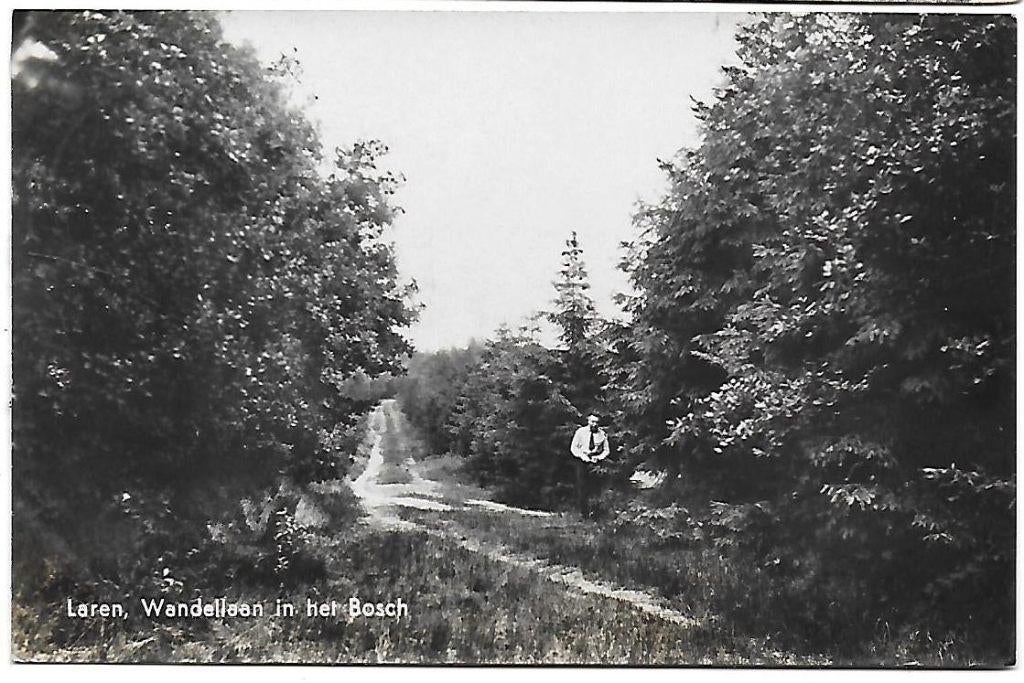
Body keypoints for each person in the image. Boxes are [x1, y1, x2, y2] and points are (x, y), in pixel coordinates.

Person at [569, 414, 610, 516]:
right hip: (582, 461)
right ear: (588, 421)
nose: (594, 424)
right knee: (583, 486)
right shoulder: (580, 432)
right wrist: (582, 457)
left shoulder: (602, 434)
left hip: (596, 462)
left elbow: (606, 450)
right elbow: (574, 448)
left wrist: (599, 457)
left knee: (596, 486)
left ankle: (596, 511)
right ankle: (584, 513)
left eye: (596, 422)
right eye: (592, 421)